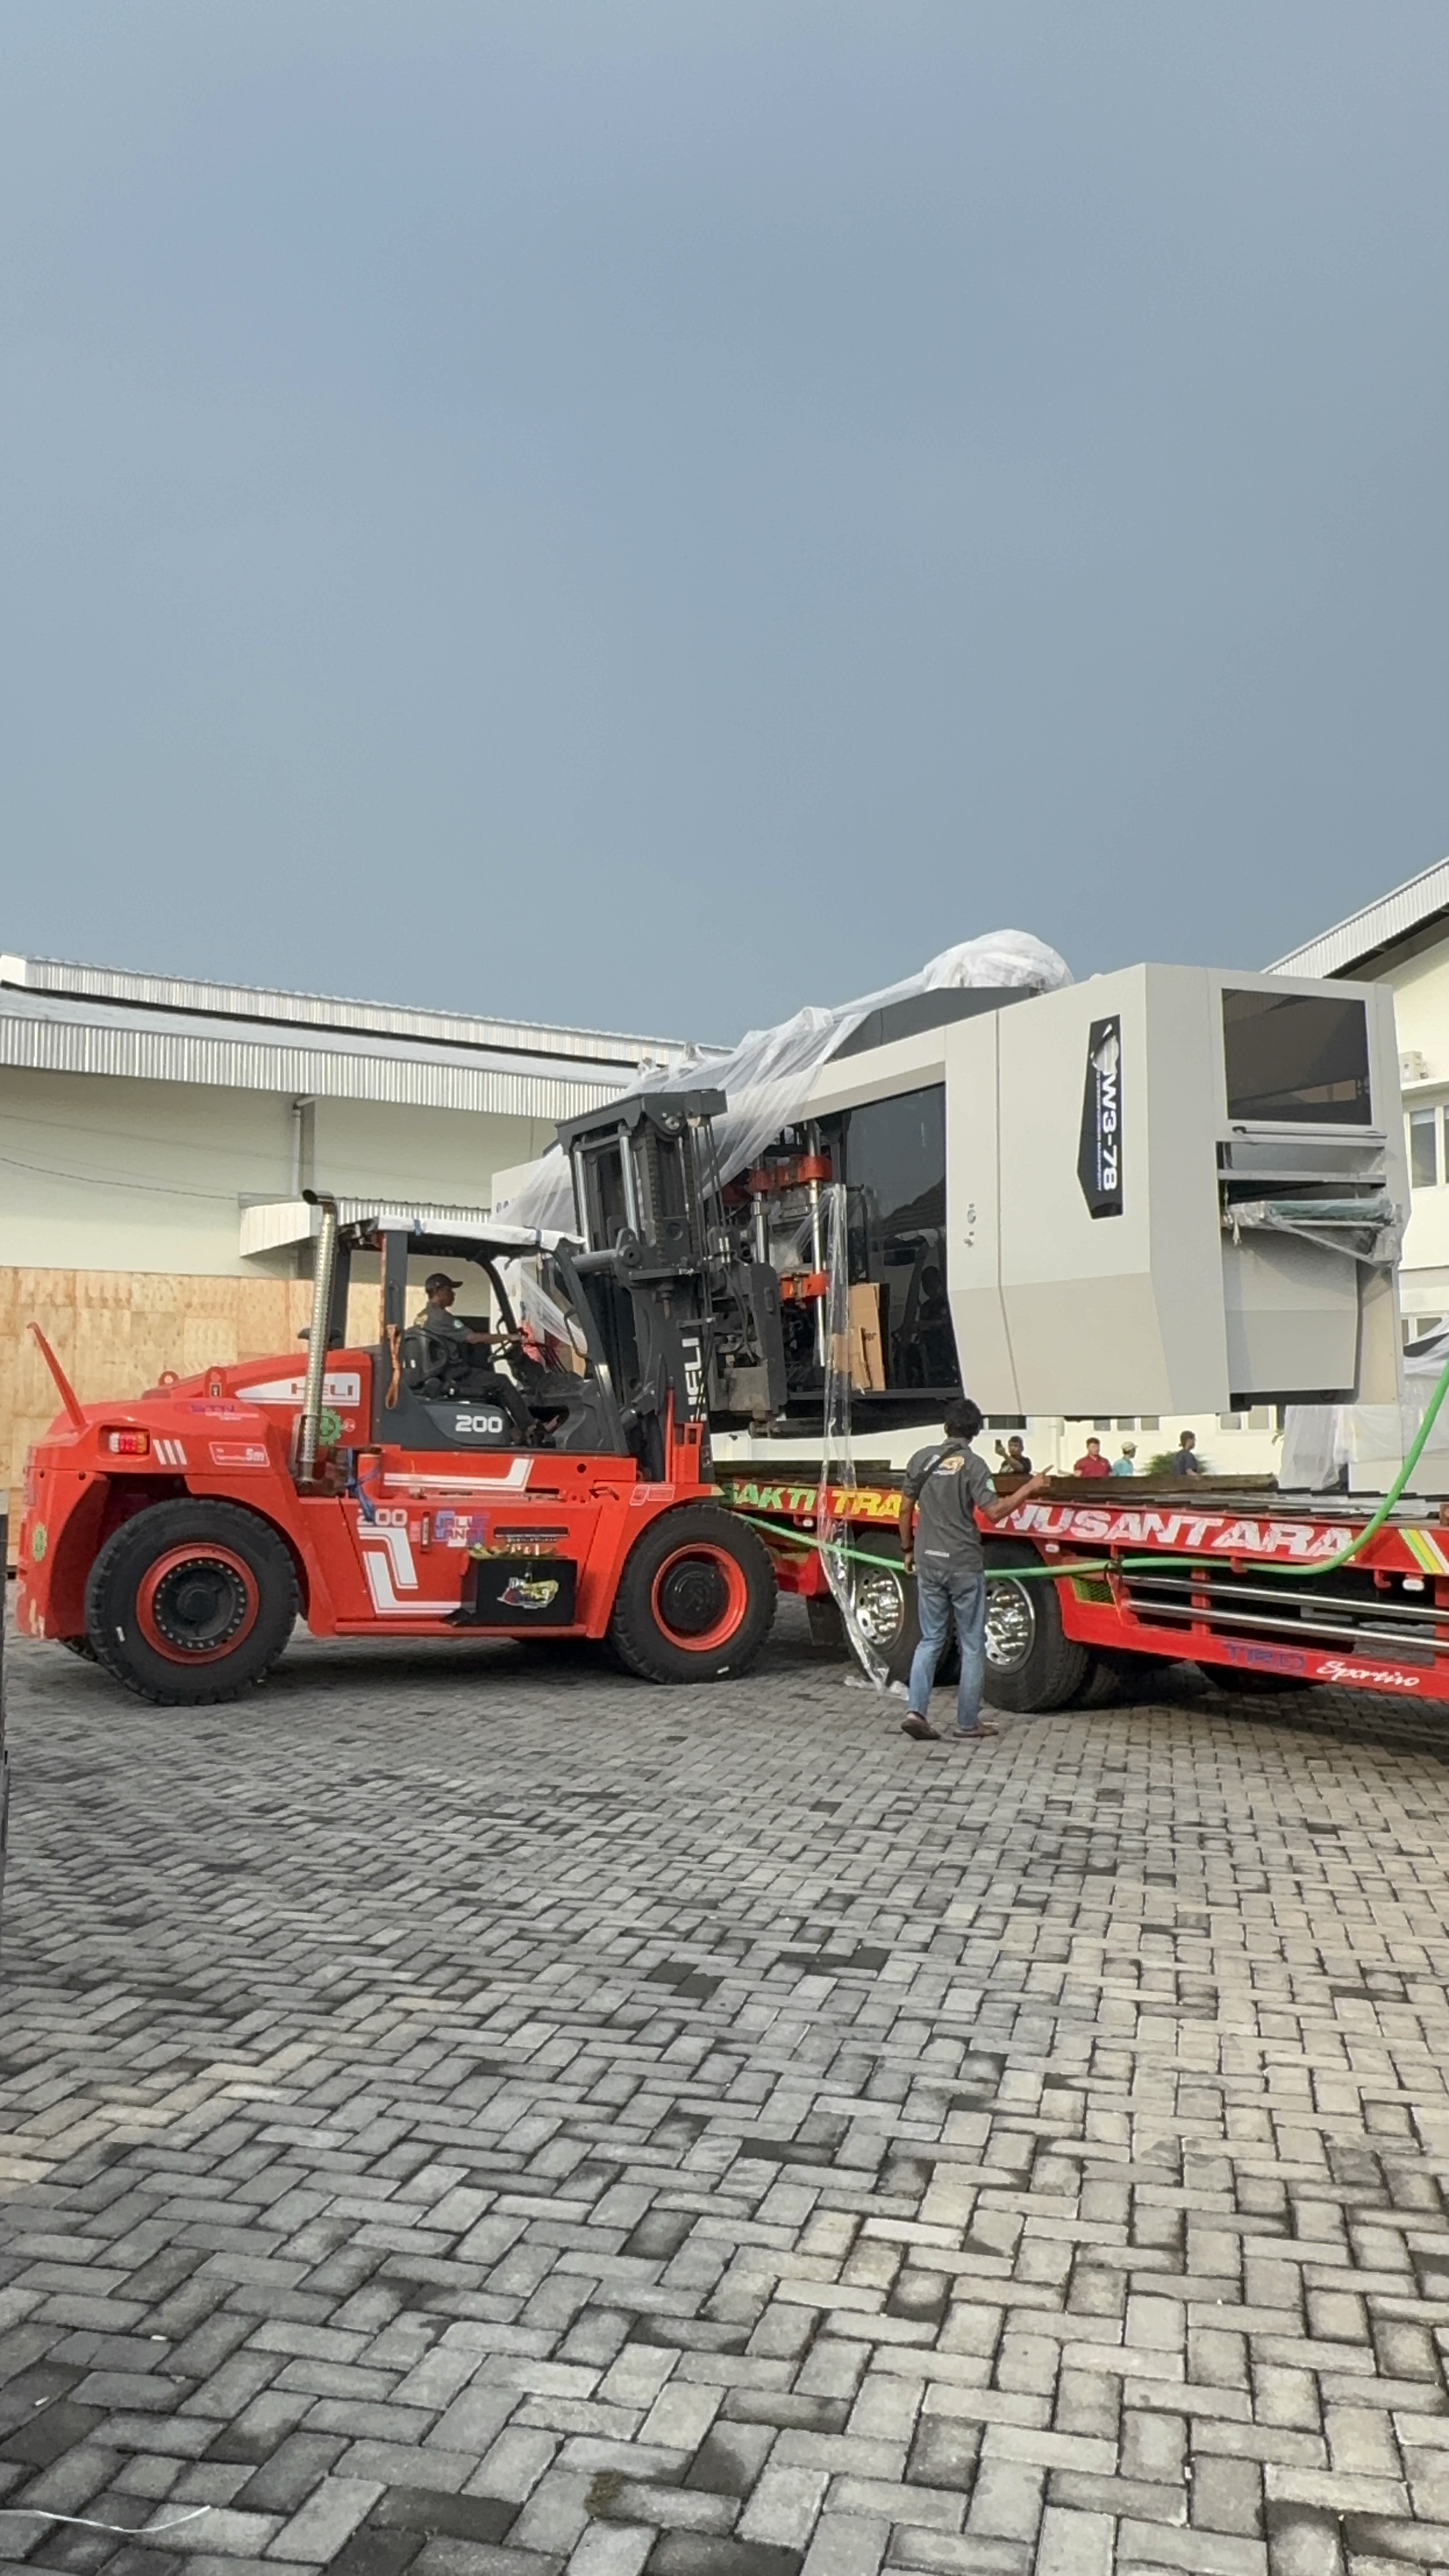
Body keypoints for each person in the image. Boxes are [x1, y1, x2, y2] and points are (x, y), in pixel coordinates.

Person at [899, 1398, 1051, 1744]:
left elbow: (905, 1508)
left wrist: (907, 1548)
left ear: (946, 1427)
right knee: (971, 1644)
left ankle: (915, 1712)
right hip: (963, 1564)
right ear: (976, 1432)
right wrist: (1030, 1487)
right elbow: (995, 1512)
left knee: (931, 1639)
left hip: (928, 1560)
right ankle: (967, 1723)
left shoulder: (921, 1458)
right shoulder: (974, 1465)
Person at [413, 1273, 533, 1439]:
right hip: (455, 1374)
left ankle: (512, 1432)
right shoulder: (443, 1318)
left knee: (490, 1386)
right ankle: (529, 1426)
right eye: (450, 1290)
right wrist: (508, 1337)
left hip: (439, 1373)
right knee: (502, 1381)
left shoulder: (421, 1317)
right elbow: (473, 1338)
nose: (454, 1294)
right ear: (440, 1291)